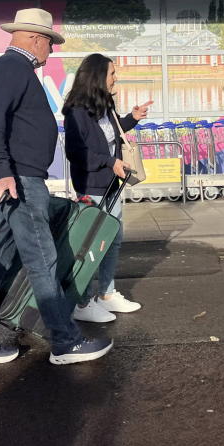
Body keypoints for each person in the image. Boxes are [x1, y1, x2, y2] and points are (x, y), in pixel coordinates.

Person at [0, 8, 112, 367]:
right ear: (36, 39)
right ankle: (65, 343)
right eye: (50, 44)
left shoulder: (16, 70)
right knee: (43, 259)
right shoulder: (10, 68)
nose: (51, 52)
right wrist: (3, 170)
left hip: (18, 176)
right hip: (18, 179)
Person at [63, 54, 152, 322]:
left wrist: (132, 118)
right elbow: (77, 153)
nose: (116, 78)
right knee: (91, 246)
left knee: (113, 240)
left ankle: (107, 294)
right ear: (97, 77)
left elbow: (111, 135)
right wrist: (109, 161)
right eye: (112, 73)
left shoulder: (104, 105)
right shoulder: (77, 112)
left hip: (112, 184)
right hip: (93, 187)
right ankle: (82, 303)